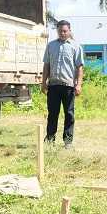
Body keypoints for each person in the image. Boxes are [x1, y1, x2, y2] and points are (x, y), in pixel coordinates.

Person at [42, 19, 84, 148]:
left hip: (69, 86)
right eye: (60, 31)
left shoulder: (76, 46)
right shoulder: (51, 46)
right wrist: (43, 83)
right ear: (57, 31)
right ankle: (50, 139)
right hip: (53, 86)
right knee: (52, 114)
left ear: (69, 31)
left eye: (65, 31)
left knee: (69, 114)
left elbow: (79, 67)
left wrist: (79, 85)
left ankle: (68, 141)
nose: (63, 33)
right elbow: (46, 65)